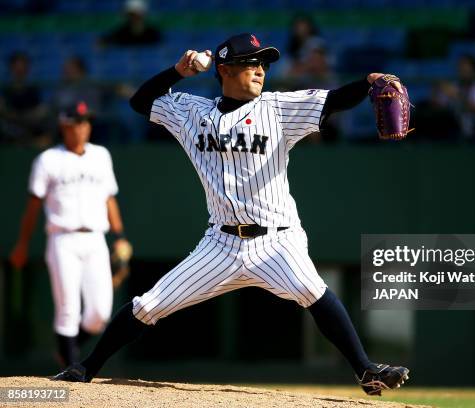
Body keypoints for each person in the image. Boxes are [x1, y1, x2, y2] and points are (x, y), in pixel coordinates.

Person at [52, 33, 409, 396]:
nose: (260, 70)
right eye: (251, 63)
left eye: (264, 64)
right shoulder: (191, 112)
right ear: (224, 69)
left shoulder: (277, 109)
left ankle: (366, 370)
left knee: (311, 288)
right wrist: (178, 71)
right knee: (149, 305)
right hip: (219, 244)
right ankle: (84, 368)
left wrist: (367, 83)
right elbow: (140, 101)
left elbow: (333, 100)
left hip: (277, 240)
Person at [9, 101, 130, 368]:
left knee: (99, 314)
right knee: (68, 310)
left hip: (96, 238)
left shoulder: (101, 155)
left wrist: (120, 235)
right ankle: (72, 369)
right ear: (64, 125)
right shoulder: (48, 160)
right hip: (62, 238)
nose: (83, 127)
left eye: (86, 122)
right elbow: (33, 206)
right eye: (77, 122)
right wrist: (22, 244)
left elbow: (110, 199)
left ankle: (67, 351)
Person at [0, 51, 51, 146]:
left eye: (22, 67)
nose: (19, 70)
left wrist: (26, 117)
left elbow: (40, 110)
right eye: (16, 67)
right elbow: (4, 110)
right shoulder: (5, 89)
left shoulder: (34, 88)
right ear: (11, 68)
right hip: (11, 126)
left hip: (31, 124)